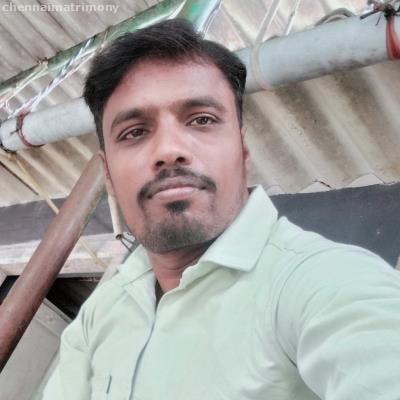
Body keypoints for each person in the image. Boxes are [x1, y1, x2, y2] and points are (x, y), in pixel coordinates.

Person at [42, 18, 400, 400]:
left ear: (243, 151)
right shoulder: (99, 314)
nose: (169, 150)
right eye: (134, 132)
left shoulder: (322, 284)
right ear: (108, 175)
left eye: (202, 120)